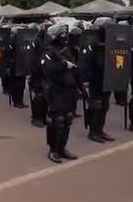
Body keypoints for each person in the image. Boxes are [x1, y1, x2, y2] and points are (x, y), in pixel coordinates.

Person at [41, 23, 82, 163]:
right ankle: (53, 150)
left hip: (68, 90)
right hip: (55, 91)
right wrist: (64, 65)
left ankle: (62, 148)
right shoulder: (48, 52)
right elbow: (47, 69)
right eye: (61, 35)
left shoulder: (66, 50)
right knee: (57, 121)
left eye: (65, 35)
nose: (64, 38)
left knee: (67, 120)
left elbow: (75, 68)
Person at [86, 17, 116, 142]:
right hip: (96, 80)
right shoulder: (92, 44)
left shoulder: (111, 44)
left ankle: (100, 130)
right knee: (96, 106)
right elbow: (87, 64)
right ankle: (93, 132)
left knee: (105, 106)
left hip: (107, 78)